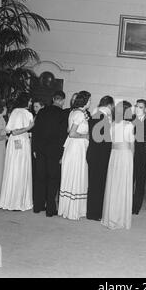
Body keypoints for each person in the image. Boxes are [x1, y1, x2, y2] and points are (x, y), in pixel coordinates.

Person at [32, 91, 68, 217]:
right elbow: (63, 135)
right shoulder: (62, 114)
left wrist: (34, 149)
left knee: (40, 177)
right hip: (54, 151)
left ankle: (38, 206)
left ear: (53, 99)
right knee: (52, 179)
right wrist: (62, 153)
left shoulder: (42, 111)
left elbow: (36, 131)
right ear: (63, 100)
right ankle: (50, 209)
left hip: (41, 149)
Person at [102, 101, 135, 229]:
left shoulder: (112, 125)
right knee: (123, 185)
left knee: (113, 184)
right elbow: (131, 145)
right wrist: (132, 158)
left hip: (114, 155)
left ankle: (111, 216)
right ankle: (120, 218)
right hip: (124, 155)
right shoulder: (129, 125)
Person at [58, 91, 91, 220]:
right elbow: (71, 133)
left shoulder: (73, 112)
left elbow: (68, 130)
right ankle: (73, 211)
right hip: (76, 148)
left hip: (73, 147)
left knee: (72, 175)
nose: (90, 102)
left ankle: (68, 208)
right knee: (76, 174)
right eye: (89, 100)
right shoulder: (80, 114)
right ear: (84, 101)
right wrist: (86, 135)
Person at [0, 93, 34, 211]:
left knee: (12, 169)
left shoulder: (14, 112)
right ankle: (18, 202)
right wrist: (28, 128)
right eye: (30, 101)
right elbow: (15, 132)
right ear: (26, 101)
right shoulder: (27, 113)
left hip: (13, 144)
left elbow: (9, 130)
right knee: (21, 170)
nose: (31, 103)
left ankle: (9, 199)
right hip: (21, 142)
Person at [86, 96, 114, 221]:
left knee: (93, 184)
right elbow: (105, 142)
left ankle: (93, 212)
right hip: (100, 156)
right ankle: (95, 213)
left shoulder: (94, 116)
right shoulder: (102, 118)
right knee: (98, 185)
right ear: (109, 106)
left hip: (93, 154)